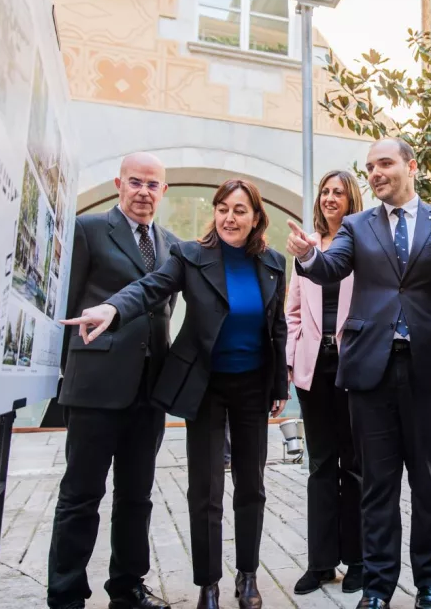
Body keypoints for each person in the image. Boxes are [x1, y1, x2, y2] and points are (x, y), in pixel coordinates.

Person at [62, 179, 289, 609]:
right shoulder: (189, 256)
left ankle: (247, 575)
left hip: (251, 387)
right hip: (203, 385)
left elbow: (275, 327)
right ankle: (207, 583)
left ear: (256, 217)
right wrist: (112, 309)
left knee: (252, 486)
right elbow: (149, 289)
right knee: (205, 490)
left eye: (239, 210)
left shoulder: (274, 263)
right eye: (222, 208)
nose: (229, 217)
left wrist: (279, 384)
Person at [286, 138, 431, 609]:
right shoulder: (355, 224)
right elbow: (329, 268)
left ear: (412, 166)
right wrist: (308, 256)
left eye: (384, 163)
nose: (374, 173)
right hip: (369, 371)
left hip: (430, 373)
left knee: (429, 485)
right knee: (377, 486)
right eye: (369, 166)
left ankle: (430, 582)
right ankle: (378, 587)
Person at [47, 152, 176, 609]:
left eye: (152, 184)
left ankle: (127, 588)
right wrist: (64, 372)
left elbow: (164, 310)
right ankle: (65, 595)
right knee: (81, 495)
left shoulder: (170, 244)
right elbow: (65, 303)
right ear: (119, 183)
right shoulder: (88, 231)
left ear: (165, 191)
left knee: (136, 498)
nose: (144, 191)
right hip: (95, 386)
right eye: (135, 182)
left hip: (149, 391)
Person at [285, 170, 364, 595]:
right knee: (319, 464)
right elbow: (293, 309)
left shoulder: (364, 245)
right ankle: (320, 563)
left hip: (355, 369)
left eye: (339, 192)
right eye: (325, 192)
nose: (331, 198)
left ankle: (358, 560)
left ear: (352, 200)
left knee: (354, 465)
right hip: (313, 369)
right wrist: (291, 356)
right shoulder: (306, 248)